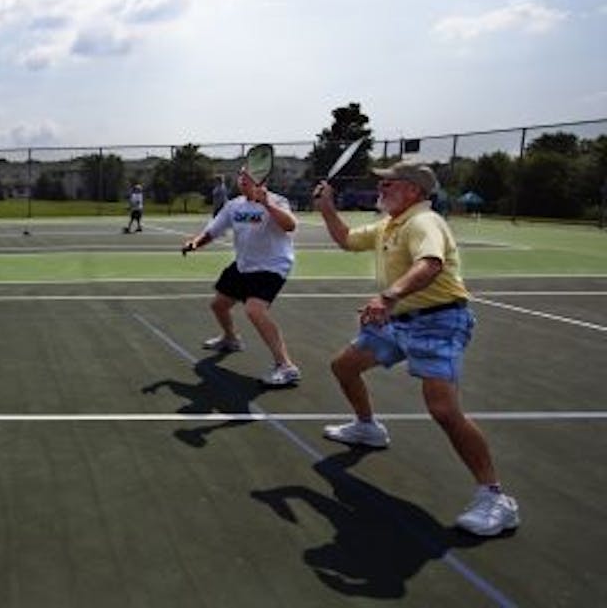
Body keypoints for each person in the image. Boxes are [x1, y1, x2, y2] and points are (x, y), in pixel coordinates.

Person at [312, 161, 519, 537]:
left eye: (389, 183)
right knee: (344, 366)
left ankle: (496, 500)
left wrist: (388, 296)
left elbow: (431, 264)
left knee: (443, 409)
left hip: (439, 322)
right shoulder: (390, 224)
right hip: (398, 321)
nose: (382, 187)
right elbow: (345, 239)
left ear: (414, 191)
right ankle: (367, 427)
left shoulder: (425, 222)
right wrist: (327, 207)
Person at [182, 169, 302, 386]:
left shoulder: (277, 201)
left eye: (248, 176)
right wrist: (195, 243)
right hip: (244, 264)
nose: (242, 179)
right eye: (241, 175)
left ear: (261, 181)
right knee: (219, 305)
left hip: (272, 265)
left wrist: (266, 203)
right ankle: (231, 339)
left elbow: (290, 225)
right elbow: (212, 231)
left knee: (254, 310)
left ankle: (286, 367)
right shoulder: (234, 206)